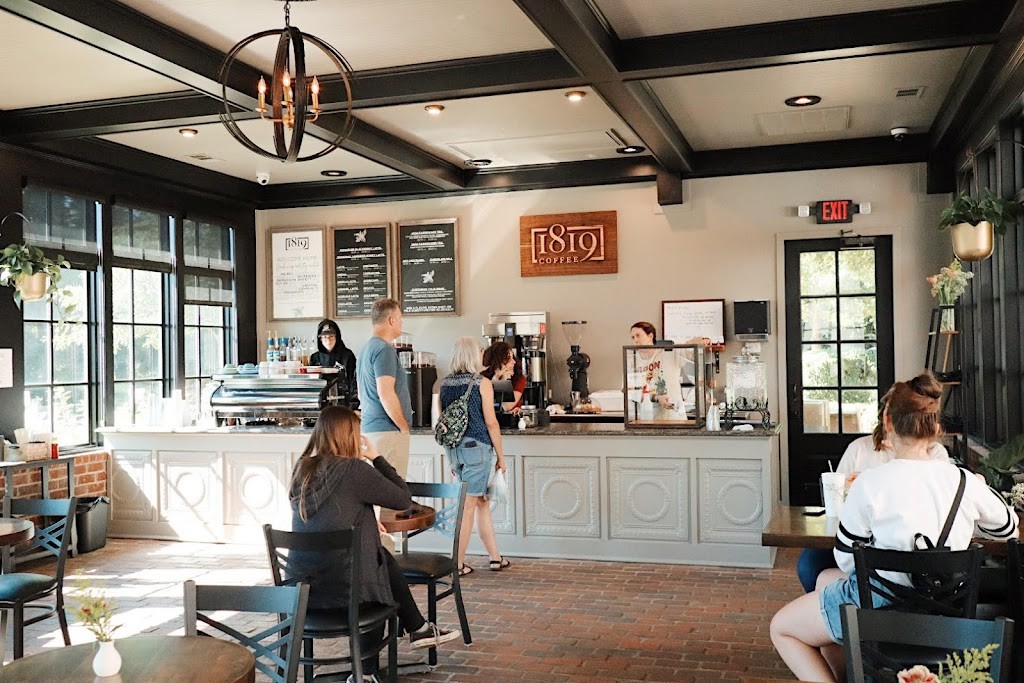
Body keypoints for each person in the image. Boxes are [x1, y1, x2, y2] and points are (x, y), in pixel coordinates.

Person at [770, 372, 1018, 683]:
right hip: (948, 612)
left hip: (878, 612)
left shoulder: (870, 483)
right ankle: (854, 671)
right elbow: (1008, 528)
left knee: (782, 628)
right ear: (936, 427)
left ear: (888, 422)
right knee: (824, 581)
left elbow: (847, 561)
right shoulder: (963, 480)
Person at [287, 406, 461, 682]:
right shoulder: (353, 469)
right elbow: (403, 499)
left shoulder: (302, 469)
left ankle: (416, 629)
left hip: (304, 592)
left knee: (378, 557)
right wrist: (377, 456)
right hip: (346, 594)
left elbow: (328, 515)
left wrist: (364, 520)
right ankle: (367, 671)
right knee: (376, 576)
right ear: (350, 436)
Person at [795, 391, 951, 593]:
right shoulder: (859, 448)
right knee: (808, 565)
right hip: (856, 534)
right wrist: (852, 487)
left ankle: (853, 604)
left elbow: (935, 497)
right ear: (885, 419)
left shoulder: (935, 453)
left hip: (908, 544)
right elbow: (836, 493)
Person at [439, 336, 510, 576]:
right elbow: (491, 423)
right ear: (472, 355)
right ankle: (456, 564)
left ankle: (495, 558)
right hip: (477, 449)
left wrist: (452, 456)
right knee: (469, 506)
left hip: (455, 450)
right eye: (480, 351)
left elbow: (443, 422)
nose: (483, 354)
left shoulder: (445, 384)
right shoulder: (481, 383)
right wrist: (501, 456)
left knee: (481, 503)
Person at [356, 298, 412, 478]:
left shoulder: (365, 349)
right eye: (400, 317)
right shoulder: (384, 349)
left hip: (370, 431)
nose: (402, 322)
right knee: (393, 497)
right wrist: (403, 426)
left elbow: (360, 394)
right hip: (388, 432)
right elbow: (385, 392)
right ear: (391, 320)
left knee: (375, 495)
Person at [629, 321, 683, 419]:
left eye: (638, 335)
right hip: (649, 417)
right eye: (633, 337)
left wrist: (701, 341)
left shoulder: (668, 353)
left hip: (674, 416)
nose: (635, 340)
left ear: (650, 336)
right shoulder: (632, 360)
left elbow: (690, 351)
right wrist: (656, 397)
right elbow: (631, 392)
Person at [310, 318, 359, 409]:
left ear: (337, 337)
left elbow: (354, 381)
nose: (328, 340)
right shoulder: (315, 358)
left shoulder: (348, 356)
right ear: (320, 339)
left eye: (331, 336)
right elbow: (312, 385)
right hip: (322, 406)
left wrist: (353, 406)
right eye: (325, 337)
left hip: (344, 405)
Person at [481, 340, 525, 413]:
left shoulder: (519, 378)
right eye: (508, 359)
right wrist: (496, 378)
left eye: (513, 357)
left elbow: (506, 406)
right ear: (498, 361)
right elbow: (486, 404)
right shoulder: (482, 377)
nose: (514, 362)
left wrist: (504, 380)